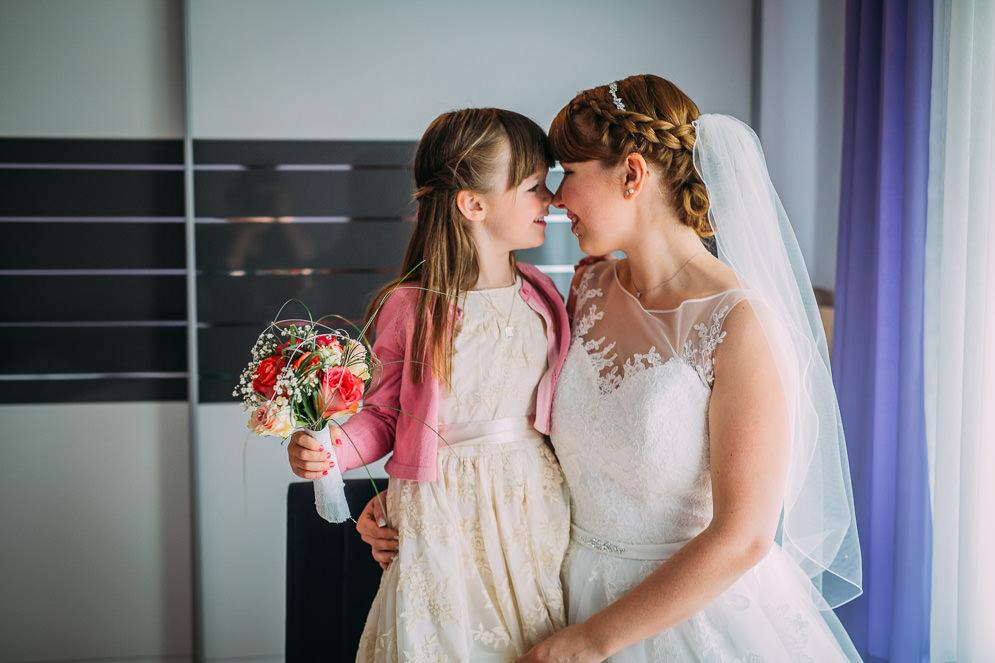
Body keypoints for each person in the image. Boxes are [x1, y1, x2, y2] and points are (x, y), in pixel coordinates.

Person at [362, 75, 864, 661]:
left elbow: (744, 537)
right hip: (555, 591)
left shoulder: (741, 324)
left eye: (568, 174)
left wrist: (589, 643)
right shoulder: (584, 290)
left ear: (632, 175)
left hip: (676, 616)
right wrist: (409, 503)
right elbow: (516, 427)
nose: (555, 200)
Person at [286, 107, 572, 661]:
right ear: (473, 203)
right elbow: (384, 416)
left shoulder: (544, 296)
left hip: (532, 505)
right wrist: (330, 449)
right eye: (535, 185)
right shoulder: (412, 306)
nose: (552, 199)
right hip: (442, 506)